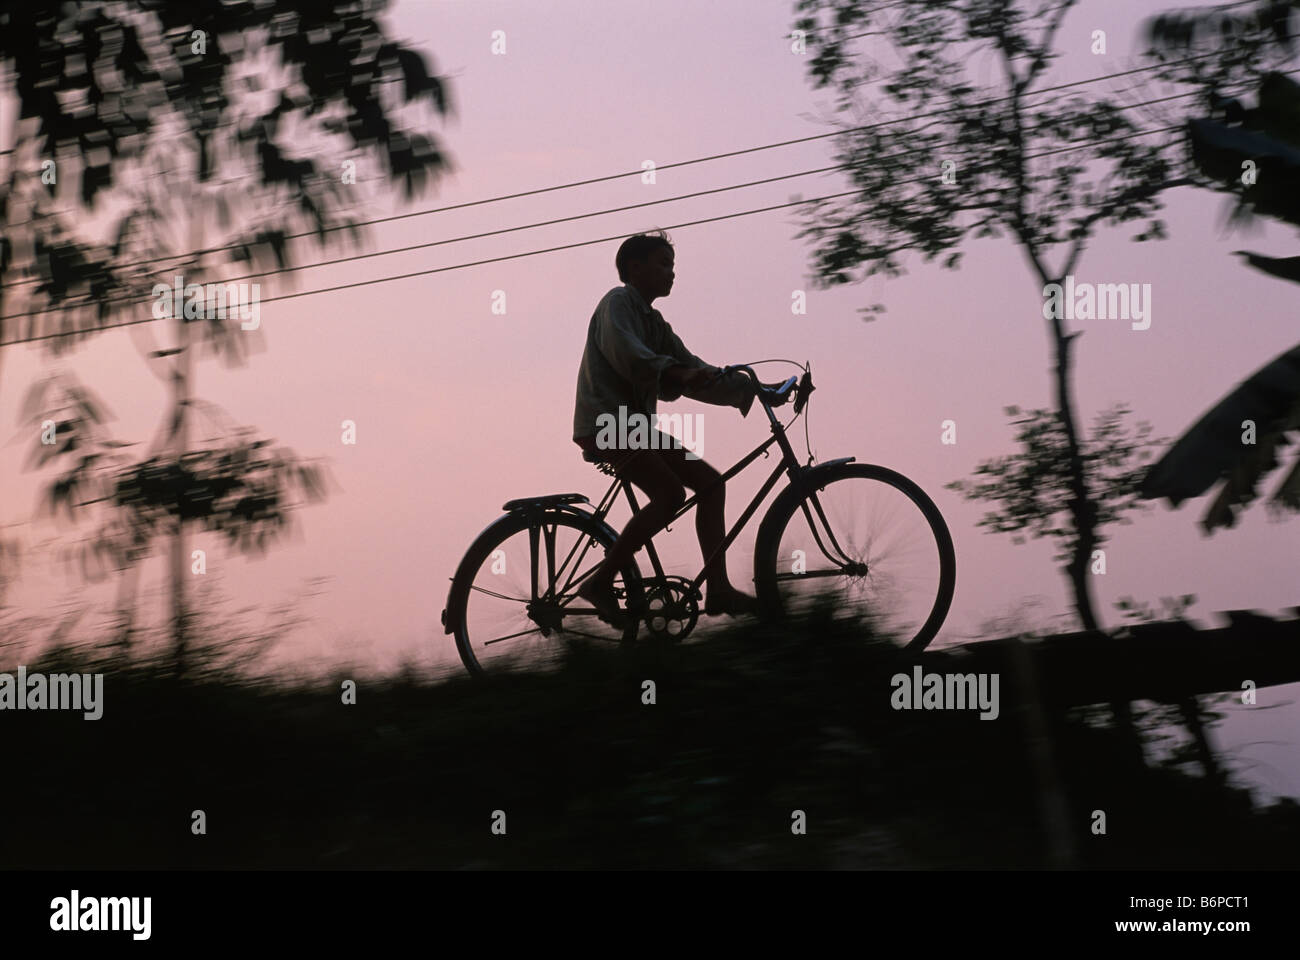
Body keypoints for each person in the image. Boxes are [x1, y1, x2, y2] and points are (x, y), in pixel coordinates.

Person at [571, 230, 791, 627]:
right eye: (663, 264)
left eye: (672, 266)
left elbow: (696, 369)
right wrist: (679, 372)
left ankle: (719, 588)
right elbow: (630, 356)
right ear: (634, 268)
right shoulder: (617, 303)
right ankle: (600, 582)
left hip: (634, 427)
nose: (671, 273)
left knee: (711, 483)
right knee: (670, 493)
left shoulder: (655, 323)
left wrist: (762, 390)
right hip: (607, 422)